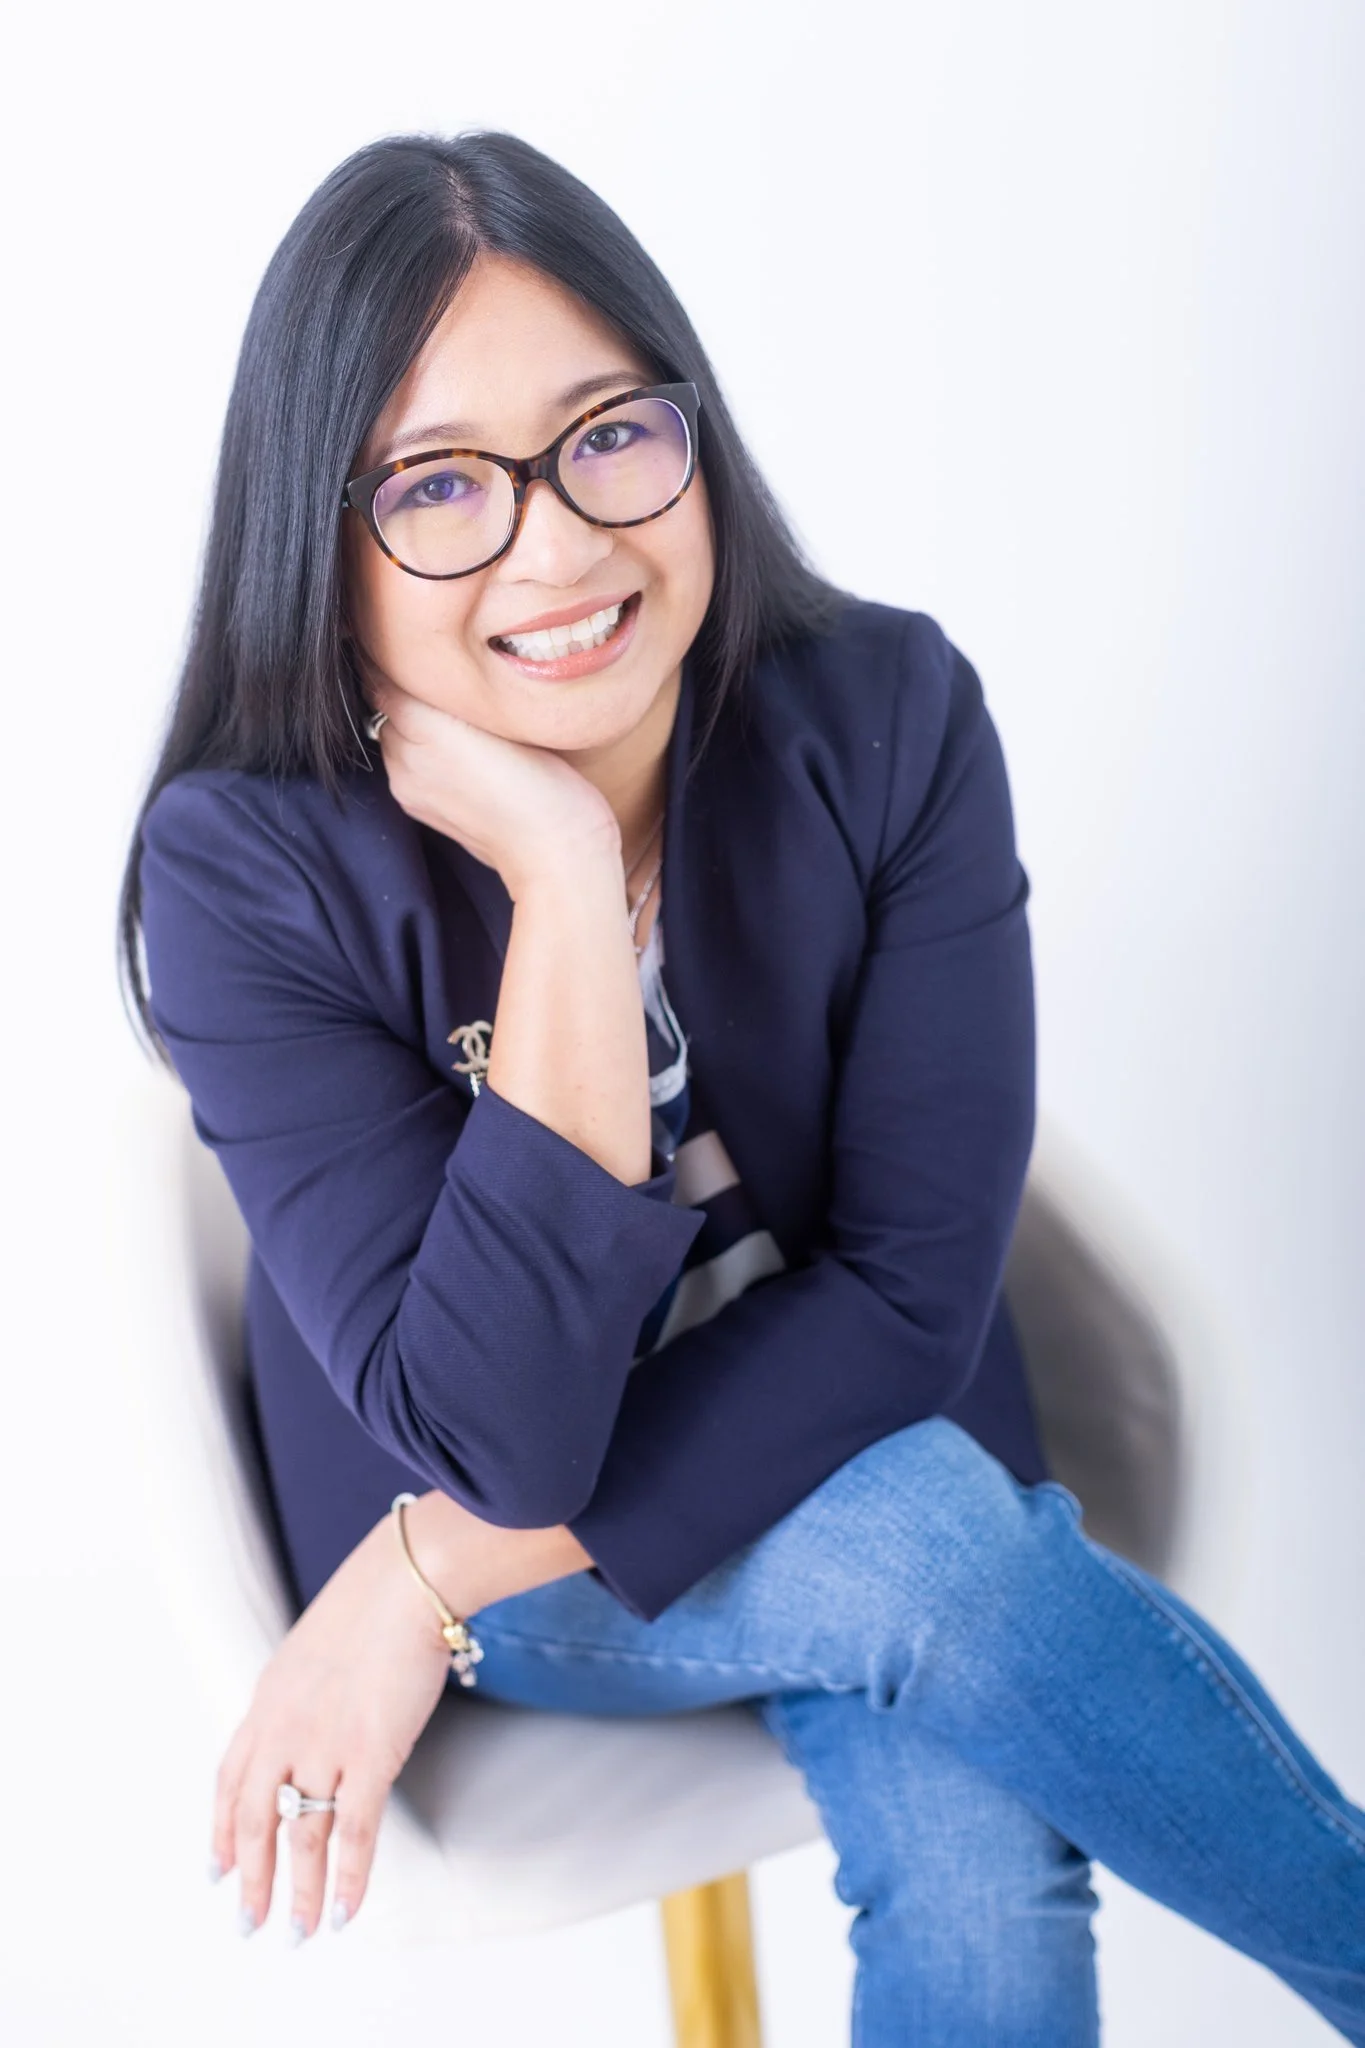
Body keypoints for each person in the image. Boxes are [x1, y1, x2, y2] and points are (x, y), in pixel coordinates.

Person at [118, 129, 1365, 2045]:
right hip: (549, 1577)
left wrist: (414, 1572)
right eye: (441, 488)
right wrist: (551, 880)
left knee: (974, 1835)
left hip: (685, 1493)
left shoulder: (884, 718)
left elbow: (910, 1302)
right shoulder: (244, 870)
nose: (557, 540)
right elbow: (501, 1437)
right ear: (319, 538)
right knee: (938, 1556)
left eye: (609, 434)